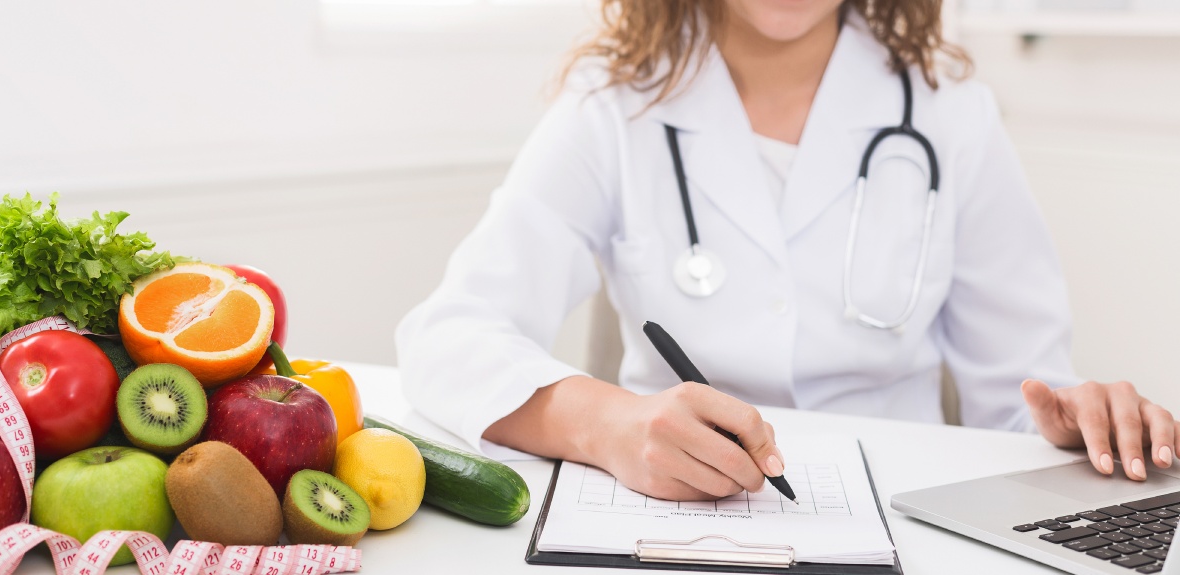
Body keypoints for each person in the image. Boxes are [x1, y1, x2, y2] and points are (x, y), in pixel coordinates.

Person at [396, 0, 1177, 501]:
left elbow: (1020, 399)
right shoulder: (613, 105)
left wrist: (1076, 421)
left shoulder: (951, 116)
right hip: (672, 519)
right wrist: (608, 424)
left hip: (909, 521)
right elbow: (447, 336)